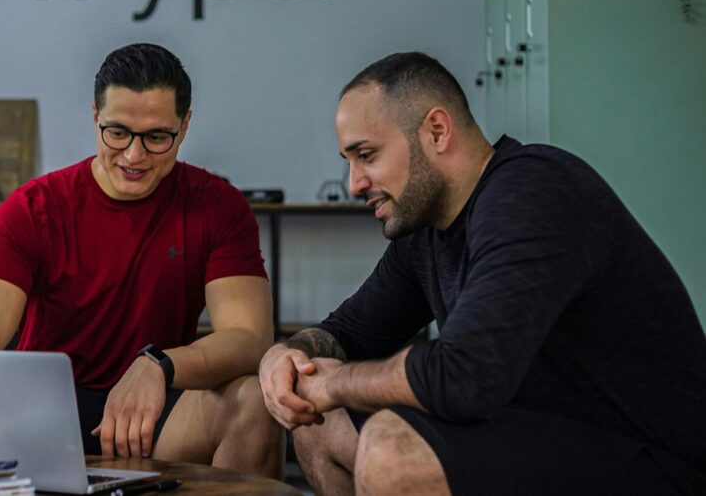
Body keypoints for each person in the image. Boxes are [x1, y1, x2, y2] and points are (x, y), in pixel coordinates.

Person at [259, 52, 706, 495]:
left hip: (653, 463)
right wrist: (286, 355)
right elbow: (345, 332)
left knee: (394, 450)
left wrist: (335, 382)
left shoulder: (533, 193)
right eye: (348, 161)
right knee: (319, 421)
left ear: (436, 130)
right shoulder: (425, 233)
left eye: (366, 155)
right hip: (542, 442)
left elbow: (466, 376)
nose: (353, 182)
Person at [0, 42, 282, 478]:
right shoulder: (32, 208)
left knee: (255, 401)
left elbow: (248, 338)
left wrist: (159, 365)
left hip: (158, 409)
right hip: (47, 414)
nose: (133, 156)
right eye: (118, 132)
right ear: (95, 116)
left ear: (184, 127)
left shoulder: (218, 207)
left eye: (157, 138)